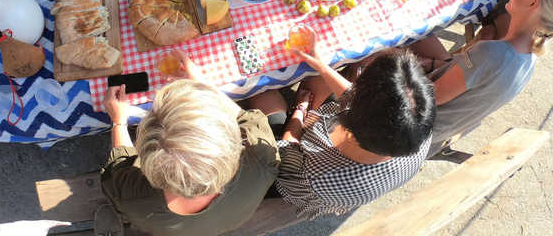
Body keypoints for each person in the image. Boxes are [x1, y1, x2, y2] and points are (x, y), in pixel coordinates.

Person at [247, 28, 436, 219]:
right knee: (318, 78)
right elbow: (355, 97)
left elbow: (287, 149)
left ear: (352, 116)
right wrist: (320, 64)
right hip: (328, 158)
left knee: (262, 90)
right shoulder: (418, 124)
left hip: (290, 174)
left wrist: (299, 109)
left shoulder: (314, 175)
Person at [100, 49, 280, 236]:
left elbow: (119, 165)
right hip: (233, 216)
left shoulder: (133, 199)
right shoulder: (261, 157)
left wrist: (118, 120)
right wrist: (204, 87)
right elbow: (246, 119)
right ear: (232, 141)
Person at [410, 0, 553, 156]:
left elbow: (430, 97)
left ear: (533, 3)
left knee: (380, 52)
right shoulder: (528, 57)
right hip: (439, 130)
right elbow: (471, 81)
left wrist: (402, 62)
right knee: (416, 31)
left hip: (416, 125)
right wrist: (430, 63)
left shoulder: (493, 53)